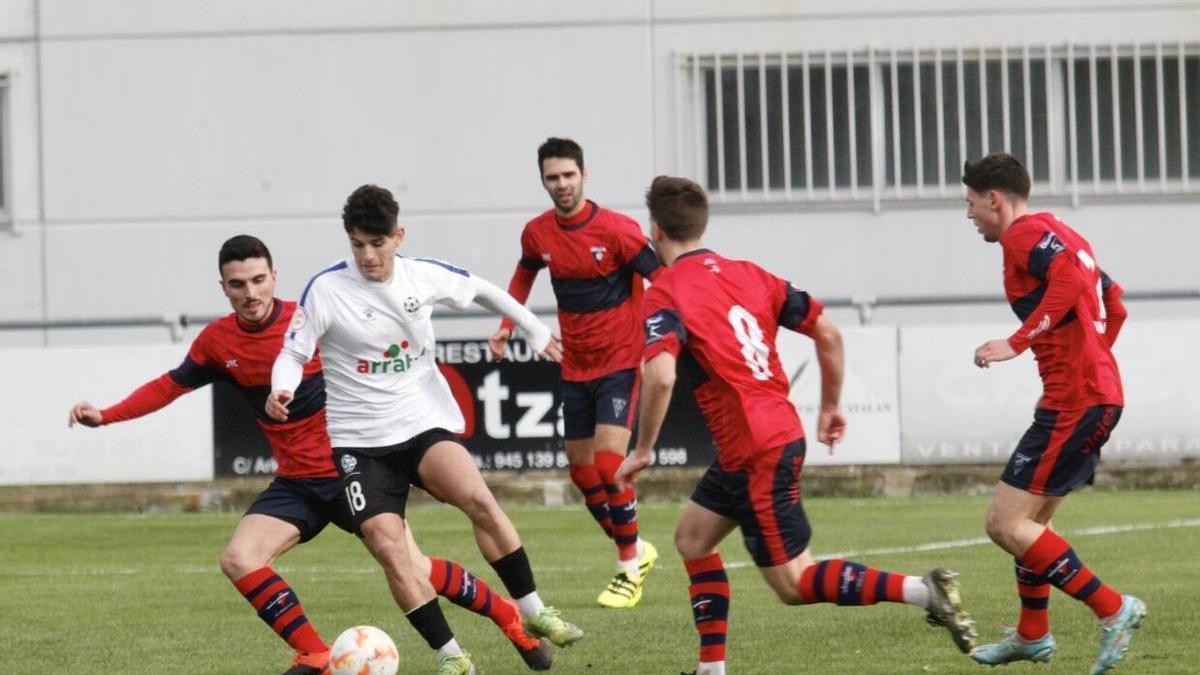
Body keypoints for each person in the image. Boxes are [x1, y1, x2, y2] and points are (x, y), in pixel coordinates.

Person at [68, 235, 554, 675]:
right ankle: (316, 654)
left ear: (274, 278)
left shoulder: (309, 321)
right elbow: (169, 386)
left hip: (351, 472)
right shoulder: (218, 341)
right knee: (239, 558)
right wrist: (105, 415)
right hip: (297, 483)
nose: (250, 292)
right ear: (224, 288)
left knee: (415, 568)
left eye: (259, 280)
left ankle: (510, 617)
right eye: (238, 284)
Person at [615, 176, 977, 675]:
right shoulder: (751, 274)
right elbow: (827, 333)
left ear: (654, 229)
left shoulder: (667, 292)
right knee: (693, 537)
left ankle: (923, 590)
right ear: (702, 224)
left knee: (794, 583)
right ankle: (711, 670)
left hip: (755, 447)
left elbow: (659, 375)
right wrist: (830, 405)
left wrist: (643, 449)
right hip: (766, 436)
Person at [269, 185, 583, 675]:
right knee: (388, 545)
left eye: (377, 243)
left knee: (478, 498)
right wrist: (281, 388)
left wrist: (535, 330)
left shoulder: (423, 275)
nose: (368, 255)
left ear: (399, 235)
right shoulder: (327, 290)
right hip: (361, 445)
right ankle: (451, 656)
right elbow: (292, 352)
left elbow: (484, 289)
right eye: (357, 245)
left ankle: (534, 610)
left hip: (421, 424)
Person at [962, 153, 1144, 674]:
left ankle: (1113, 609)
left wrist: (1019, 342)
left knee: (1005, 522)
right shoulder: (1062, 232)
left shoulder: (1024, 235)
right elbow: (1114, 298)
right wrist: (1094, 358)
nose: (969, 215)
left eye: (971, 204)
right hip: (1091, 394)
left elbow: (1068, 280)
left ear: (994, 199)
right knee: (1033, 525)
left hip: (1077, 400)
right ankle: (1032, 634)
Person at [489, 137, 660, 609]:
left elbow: (664, 279)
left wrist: (664, 337)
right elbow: (523, 276)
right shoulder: (538, 234)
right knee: (585, 477)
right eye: (552, 177)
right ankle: (636, 546)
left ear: (585, 175)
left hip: (621, 363)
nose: (561, 184)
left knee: (609, 465)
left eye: (568, 175)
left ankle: (628, 566)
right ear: (543, 181)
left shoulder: (619, 231)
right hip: (575, 367)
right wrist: (507, 326)